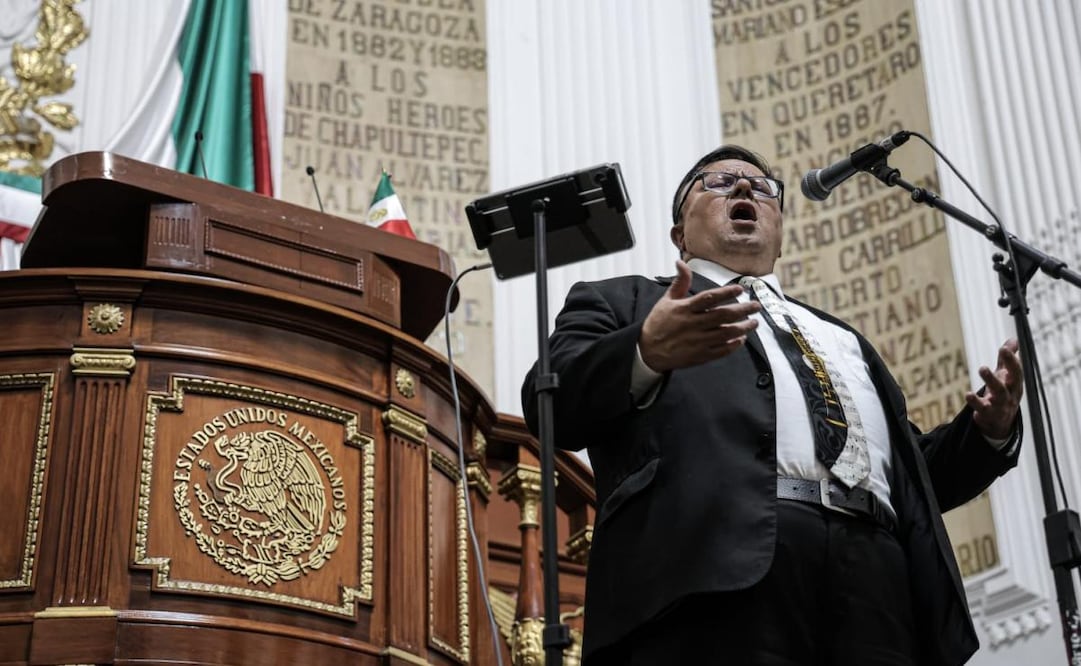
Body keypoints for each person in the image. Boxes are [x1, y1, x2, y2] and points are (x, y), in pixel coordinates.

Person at [521, 144, 1023, 666]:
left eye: (762, 187)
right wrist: (645, 350)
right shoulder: (627, 303)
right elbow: (548, 404)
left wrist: (988, 430)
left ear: (780, 233)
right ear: (679, 235)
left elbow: (913, 478)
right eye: (716, 183)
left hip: (879, 583)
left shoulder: (843, 338)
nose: (744, 189)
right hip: (710, 581)